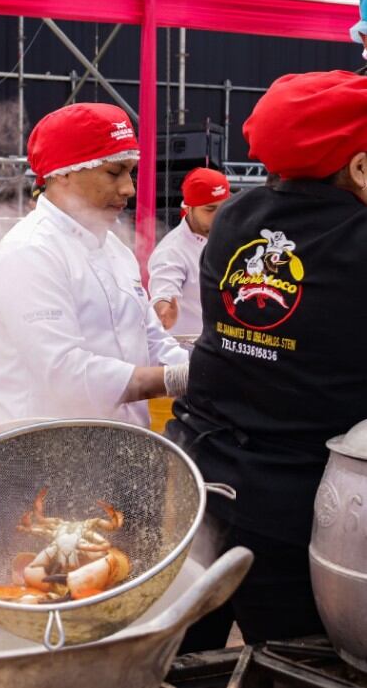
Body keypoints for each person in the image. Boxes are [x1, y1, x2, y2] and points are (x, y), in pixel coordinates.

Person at [170, 70, 367, 650]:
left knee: (179, 657)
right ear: (359, 167)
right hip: (297, 507)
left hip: (197, 477)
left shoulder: (232, 219)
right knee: (293, 661)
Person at [0, 103, 188, 426]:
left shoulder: (116, 249)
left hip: (126, 449)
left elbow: (152, 339)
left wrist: (200, 369)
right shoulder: (29, 253)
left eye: (130, 172)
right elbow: (66, 376)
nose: (128, 188)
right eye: (113, 172)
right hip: (47, 457)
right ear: (62, 174)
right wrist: (173, 379)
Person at [147, 167, 230, 335]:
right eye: (209, 209)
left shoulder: (232, 235)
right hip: (190, 351)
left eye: (223, 208)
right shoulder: (172, 250)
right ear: (189, 207)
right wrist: (163, 308)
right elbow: (163, 289)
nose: (218, 215)